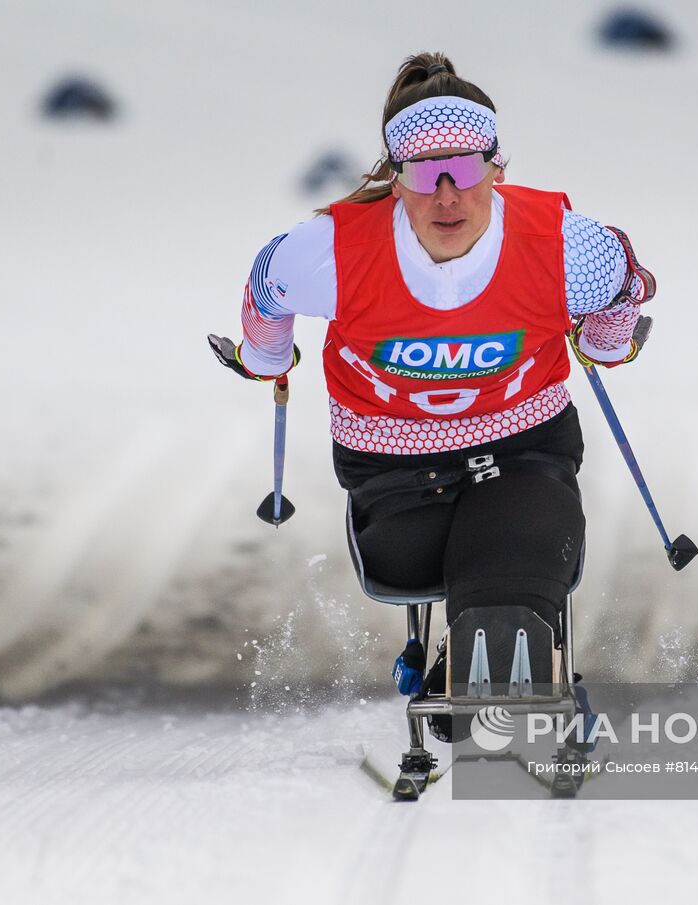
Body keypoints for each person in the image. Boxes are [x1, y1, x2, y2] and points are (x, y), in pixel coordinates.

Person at [212, 51, 656, 697]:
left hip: (523, 454)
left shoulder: (561, 243)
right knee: (454, 555)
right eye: (425, 174)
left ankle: (486, 678)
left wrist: (608, 341)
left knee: (516, 544)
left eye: (465, 168)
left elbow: (623, 282)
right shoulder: (334, 251)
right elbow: (265, 287)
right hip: (396, 479)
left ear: (496, 167)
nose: (447, 195)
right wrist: (267, 357)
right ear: (396, 180)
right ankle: (480, 662)